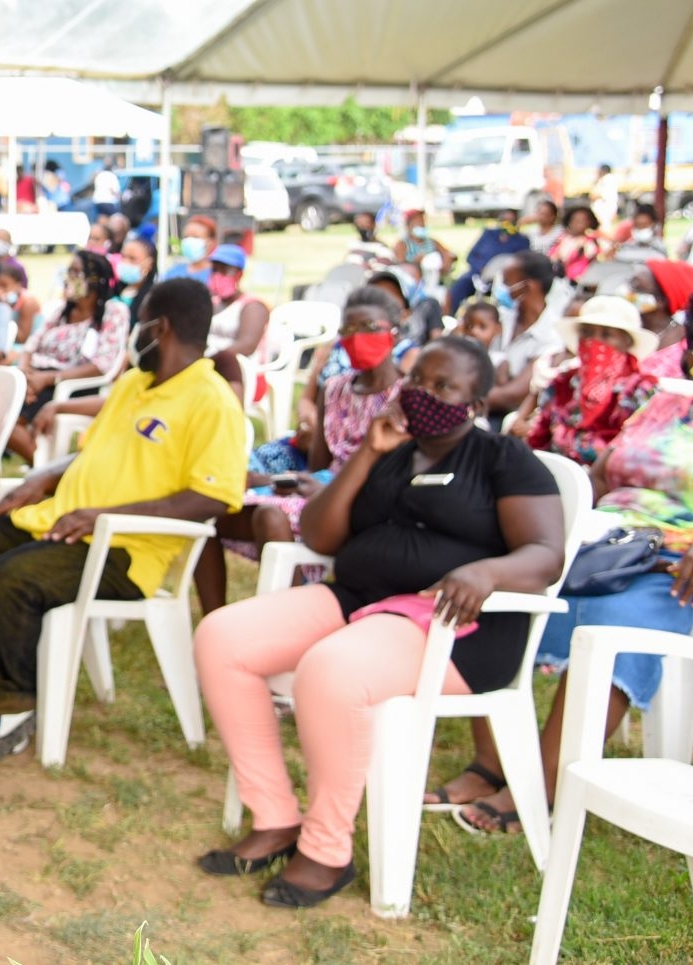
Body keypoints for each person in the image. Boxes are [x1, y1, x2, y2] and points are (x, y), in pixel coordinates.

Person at [194, 335, 564, 907]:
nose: (424, 394)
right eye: (418, 381)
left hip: (451, 623)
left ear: (476, 403)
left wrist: (487, 572)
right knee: (222, 638)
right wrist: (368, 452)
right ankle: (275, 816)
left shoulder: (502, 459)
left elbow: (545, 554)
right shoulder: (392, 452)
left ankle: (326, 849)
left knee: (333, 670)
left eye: (443, 386)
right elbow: (321, 536)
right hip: (358, 598)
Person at [450, 290, 693, 835]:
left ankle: (543, 786)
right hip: (611, 551)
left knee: (617, 623)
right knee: (505, 599)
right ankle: (492, 763)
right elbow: (600, 477)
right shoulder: (662, 408)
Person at [0, 279, 246, 768]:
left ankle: (13, 705)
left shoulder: (213, 401)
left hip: (126, 550)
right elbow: (94, 452)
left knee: (11, 579)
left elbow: (212, 497)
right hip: (62, 520)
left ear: (160, 328)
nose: (136, 335)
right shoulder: (134, 384)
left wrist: (106, 516)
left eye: (141, 324)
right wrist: (43, 477)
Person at [202, 288, 407, 612]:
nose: (357, 337)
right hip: (319, 492)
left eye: (369, 327)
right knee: (211, 511)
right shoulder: (335, 388)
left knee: (271, 516)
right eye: (348, 329)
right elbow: (318, 466)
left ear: (394, 332)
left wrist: (324, 489)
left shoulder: (405, 397)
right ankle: (215, 619)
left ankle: (291, 615)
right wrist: (289, 482)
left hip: (366, 501)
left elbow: (397, 474)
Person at [6, 250, 129, 462]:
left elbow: (102, 365)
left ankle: (41, 464)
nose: (68, 278)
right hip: (35, 377)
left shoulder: (113, 312)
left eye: (75, 272)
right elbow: (30, 346)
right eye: (69, 271)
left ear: (95, 279)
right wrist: (24, 373)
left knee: (5, 420)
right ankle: (39, 460)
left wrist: (49, 379)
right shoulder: (62, 311)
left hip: (72, 383)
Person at [517, 294, 658, 467]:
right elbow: (538, 438)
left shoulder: (640, 389)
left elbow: (637, 452)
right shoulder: (563, 383)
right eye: (587, 333)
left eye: (607, 335)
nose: (594, 342)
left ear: (626, 342)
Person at [484, 250, 561, 419]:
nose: (500, 288)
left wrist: (460, 400)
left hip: (509, 417)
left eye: (506, 282)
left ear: (528, 287)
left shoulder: (552, 335)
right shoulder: (500, 317)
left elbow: (512, 395)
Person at [204, 244, 270, 402]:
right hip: (208, 368)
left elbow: (247, 346)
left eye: (224, 270)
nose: (218, 275)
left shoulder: (253, 306)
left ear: (239, 274)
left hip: (241, 375)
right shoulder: (211, 303)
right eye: (215, 270)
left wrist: (210, 358)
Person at [445, 208, 528, 314]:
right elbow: (471, 256)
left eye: (510, 221)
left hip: (504, 279)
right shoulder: (489, 235)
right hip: (479, 273)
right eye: (504, 220)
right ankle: (448, 314)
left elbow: (522, 263)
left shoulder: (521, 241)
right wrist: (481, 268)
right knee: (460, 285)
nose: (506, 224)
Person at [394, 208, 451, 285]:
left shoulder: (432, 242)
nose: (422, 224)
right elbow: (400, 266)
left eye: (423, 221)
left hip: (434, 279)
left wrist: (446, 261)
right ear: (408, 225)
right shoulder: (402, 244)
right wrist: (415, 263)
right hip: (413, 282)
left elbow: (448, 253)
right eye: (418, 221)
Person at [548, 204, 602, 281]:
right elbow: (552, 256)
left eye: (581, 221)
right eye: (574, 220)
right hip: (559, 279)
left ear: (590, 223)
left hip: (581, 280)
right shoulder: (562, 239)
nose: (576, 223)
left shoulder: (590, 242)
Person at [174, 216, 218, 281]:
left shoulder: (217, 275)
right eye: (186, 237)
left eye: (195, 237)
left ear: (210, 242)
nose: (189, 241)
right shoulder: (173, 273)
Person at [591, 162, 621, 230]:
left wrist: (594, 196)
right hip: (603, 207)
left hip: (605, 207)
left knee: (604, 225)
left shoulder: (608, 179)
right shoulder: (603, 179)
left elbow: (604, 194)